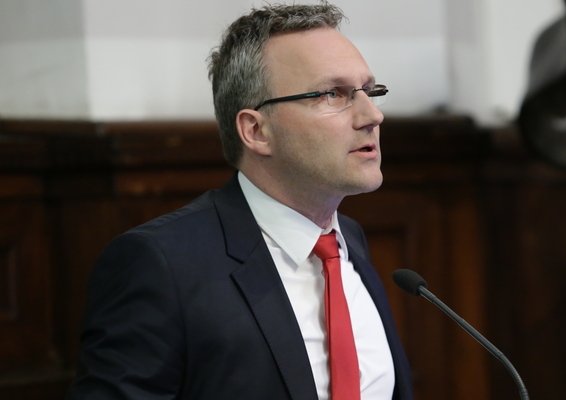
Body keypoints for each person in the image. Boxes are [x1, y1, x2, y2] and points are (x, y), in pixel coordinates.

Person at [66, 2, 413, 399]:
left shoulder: (348, 241)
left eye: (371, 91)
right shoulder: (160, 266)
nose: (372, 116)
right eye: (333, 94)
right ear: (256, 131)